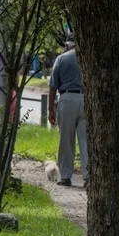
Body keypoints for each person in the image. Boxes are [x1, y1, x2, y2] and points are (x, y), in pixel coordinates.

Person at [47, 34, 88, 188]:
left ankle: (65, 176)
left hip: (67, 98)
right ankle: (88, 176)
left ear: (68, 45)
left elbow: (53, 86)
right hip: (85, 99)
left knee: (66, 140)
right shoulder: (87, 59)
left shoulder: (61, 59)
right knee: (85, 141)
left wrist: (51, 110)